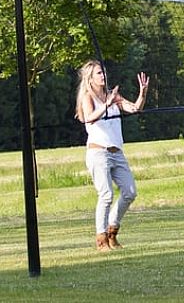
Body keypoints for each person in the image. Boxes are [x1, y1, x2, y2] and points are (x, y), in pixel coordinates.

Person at [75, 60, 150, 251]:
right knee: (106, 194)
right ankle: (101, 240)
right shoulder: (87, 97)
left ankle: (112, 230)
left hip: (117, 153)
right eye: (99, 73)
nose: (103, 76)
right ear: (90, 78)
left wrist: (142, 92)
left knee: (130, 192)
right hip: (98, 152)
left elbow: (135, 108)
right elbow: (88, 118)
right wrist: (106, 105)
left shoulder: (112, 96)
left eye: (103, 72)